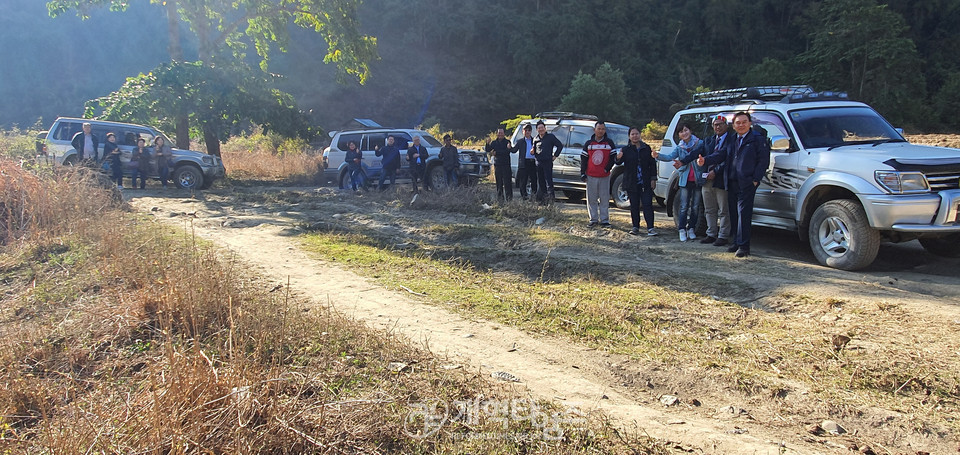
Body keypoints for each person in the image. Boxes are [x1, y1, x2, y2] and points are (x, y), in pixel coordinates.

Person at [698, 112, 770, 257]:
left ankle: (744, 246)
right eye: (738, 123)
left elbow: (763, 161)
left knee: (744, 213)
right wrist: (706, 160)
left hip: (747, 182)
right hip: (731, 181)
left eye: (744, 122)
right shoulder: (732, 139)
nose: (741, 125)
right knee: (734, 213)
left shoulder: (757, 139)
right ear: (734, 125)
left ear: (750, 124)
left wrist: (756, 178)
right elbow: (722, 154)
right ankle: (736, 242)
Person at [681, 115, 732, 246]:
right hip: (706, 179)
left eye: (720, 124)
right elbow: (696, 153)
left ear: (726, 125)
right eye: (715, 125)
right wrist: (682, 161)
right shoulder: (709, 140)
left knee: (723, 210)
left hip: (721, 178)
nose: (718, 127)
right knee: (709, 209)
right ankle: (711, 233)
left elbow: (726, 158)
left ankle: (723, 235)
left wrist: (715, 171)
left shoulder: (731, 140)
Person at [653, 123, 705, 242]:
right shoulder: (680, 147)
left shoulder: (700, 144)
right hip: (684, 179)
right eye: (681, 132)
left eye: (686, 130)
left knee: (696, 206)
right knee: (683, 206)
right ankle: (682, 229)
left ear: (690, 131)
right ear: (679, 135)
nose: (684, 133)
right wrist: (658, 155)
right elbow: (669, 156)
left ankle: (691, 228)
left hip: (698, 179)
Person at [616, 127, 658, 236]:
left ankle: (651, 228)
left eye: (637, 134)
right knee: (634, 205)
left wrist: (653, 179)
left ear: (640, 135)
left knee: (647, 204)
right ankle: (635, 227)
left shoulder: (646, 148)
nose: (635, 136)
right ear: (629, 136)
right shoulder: (625, 149)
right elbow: (617, 162)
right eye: (632, 134)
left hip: (645, 181)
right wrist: (618, 158)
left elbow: (652, 164)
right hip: (631, 182)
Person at [580, 121, 617, 227]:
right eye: (599, 128)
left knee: (604, 198)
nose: (601, 131)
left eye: (603, 129)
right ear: (594, 130)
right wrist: (583, 173)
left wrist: (607, 169)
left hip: (604, 176)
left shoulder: (609, 143)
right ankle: (593, 219)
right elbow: (584, 159)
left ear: (605, 130)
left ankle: (605, 220)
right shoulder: (588, 144)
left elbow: (613, 158)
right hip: (591, 175)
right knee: (591, 199)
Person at [532, 120, 563, 203]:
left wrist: (555, 155)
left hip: (547, 162)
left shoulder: (550, 137)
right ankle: (543, 200)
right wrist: (533, 152)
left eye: (542, 128)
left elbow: (560, 145)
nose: (541, 129)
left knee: (548, 181)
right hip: (538, 162)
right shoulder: (535, 138)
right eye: (539, 128)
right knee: (541, 182)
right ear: (537, 130)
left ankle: (551, 200)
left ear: (545, 128)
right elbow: (534, 150)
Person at [485, 128, 513, 202]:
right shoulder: (494, 142)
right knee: (499, 183)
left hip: (506, 165)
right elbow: (488, 150)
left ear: (504, 134)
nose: (500, 134)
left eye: (501, 133)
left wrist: (496, 153)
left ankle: (509, 199)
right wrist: (487, 143)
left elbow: (507, 152)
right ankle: (500, 200)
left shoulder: (507, 141)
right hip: (497, 165)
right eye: (499, 133)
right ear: (497, 134)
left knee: (507, 183)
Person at [512, 124, 538, 200]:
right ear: (523, 131)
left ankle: (533, 195)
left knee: (534, 180)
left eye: (529, 130)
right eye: (525, 130)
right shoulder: (520, 141)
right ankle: (524, 195)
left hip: (532, 162)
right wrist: (509, 147)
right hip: (524, 162)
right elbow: (514, 150)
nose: (527, 132)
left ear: (531, 132)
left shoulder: (535, 140)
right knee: (523, 180)